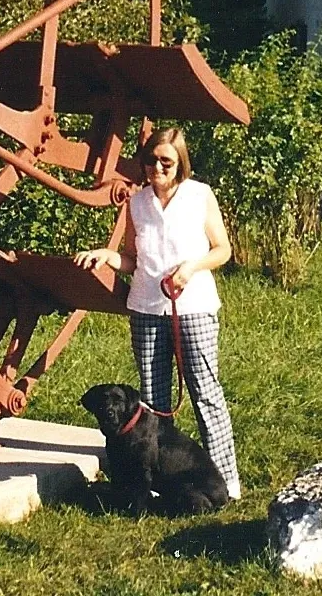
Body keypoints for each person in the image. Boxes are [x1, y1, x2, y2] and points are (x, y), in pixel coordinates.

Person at [73, 127, 240, 500]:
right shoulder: (138, 202)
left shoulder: (200, 196)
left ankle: (224, 483)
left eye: (166, 161)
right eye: (151, 160)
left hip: (192, 307)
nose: (157, 168)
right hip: (146, 307)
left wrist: (191, 268)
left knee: (205, 391)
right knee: (154, 398)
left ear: (180, 162)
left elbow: (223, 248)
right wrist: (106, 256)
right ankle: (159, 478)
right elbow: (133, 259)